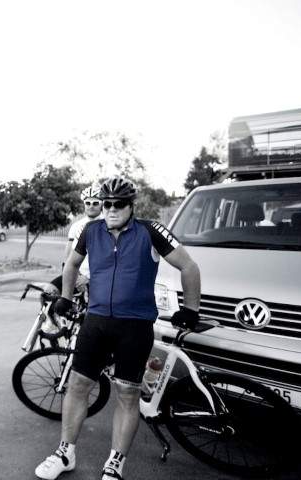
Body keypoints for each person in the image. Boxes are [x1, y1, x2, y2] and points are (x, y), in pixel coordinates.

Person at [35, 176, 201, 480]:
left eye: (119, 204)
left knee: (127, 393)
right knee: (77, 385)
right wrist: (65, 297)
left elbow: (189, 266)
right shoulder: (91, 231)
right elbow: (71, 264)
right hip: (96, 322)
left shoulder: (150, 231)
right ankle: (65, 453)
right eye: (106, 203)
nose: (111, 209)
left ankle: (115, 463)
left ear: (131, 205)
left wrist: (191, 308)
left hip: (134, 327)